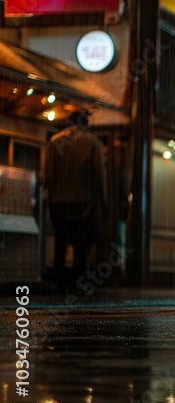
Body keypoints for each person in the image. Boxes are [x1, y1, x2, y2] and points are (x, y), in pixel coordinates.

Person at [44, 110, 107, 293]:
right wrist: (101, 201)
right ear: (85, 123)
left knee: (60, 242)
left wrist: (51, 198)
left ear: (67, 122)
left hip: (59, 201)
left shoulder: (55, 142)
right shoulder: (93, 143)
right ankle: (79, 284)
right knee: (82, 244)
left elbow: (48, 176)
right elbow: (99, 178)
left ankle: (60, 282)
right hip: (84, 201)